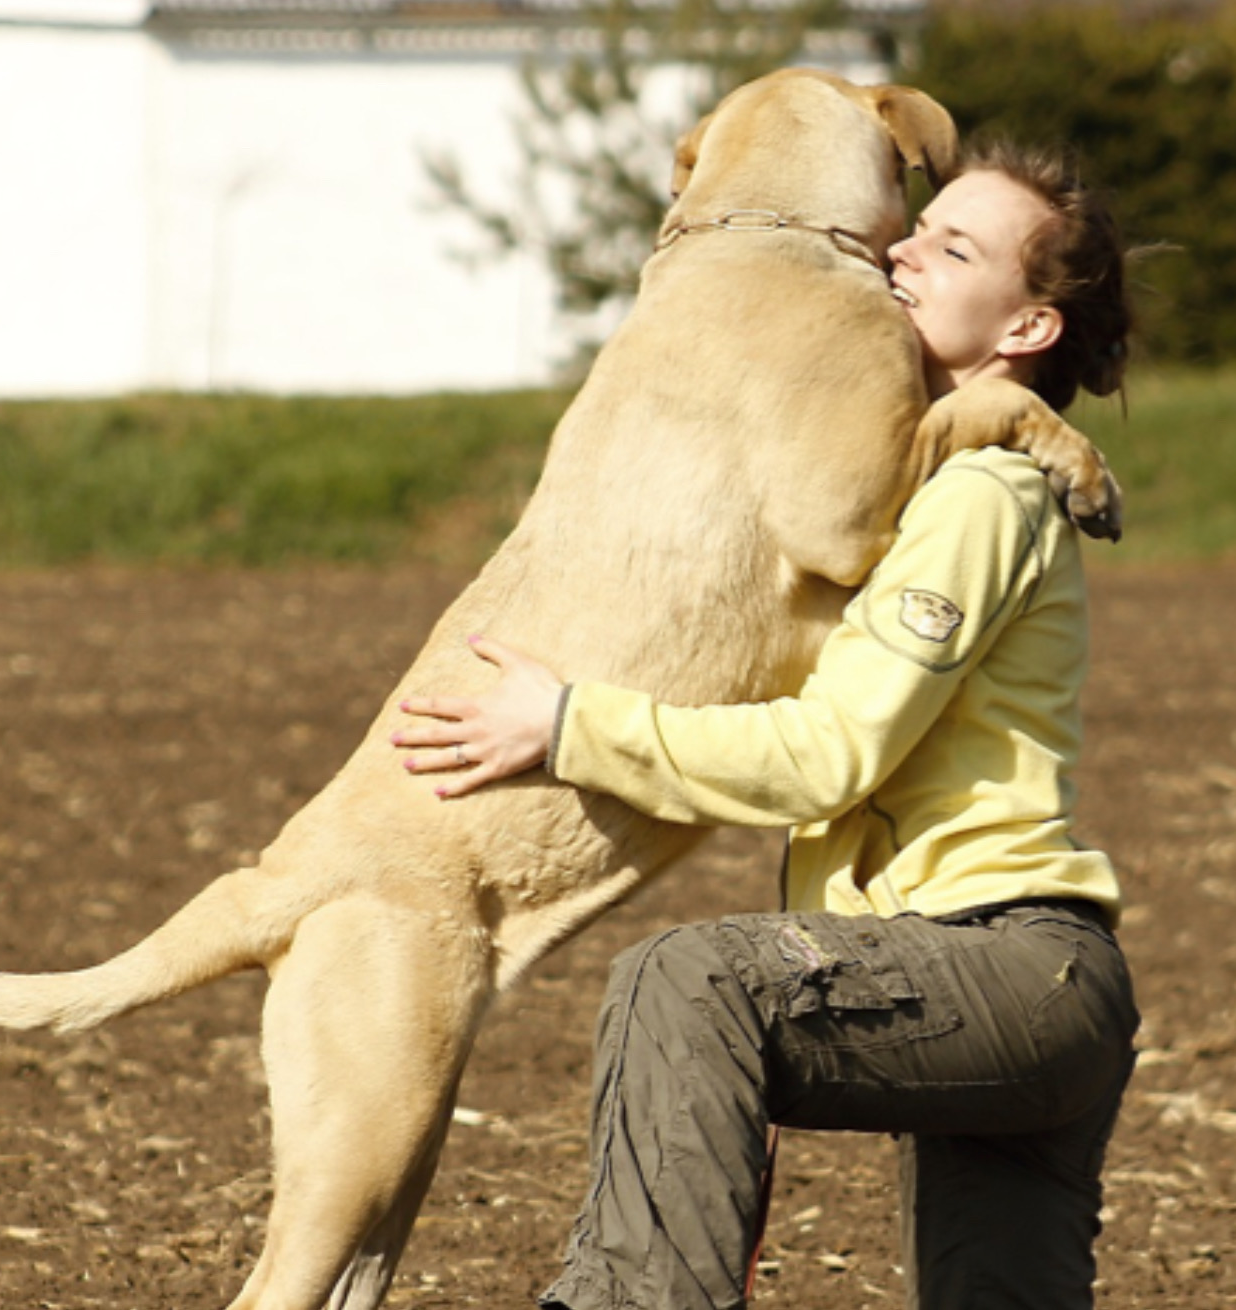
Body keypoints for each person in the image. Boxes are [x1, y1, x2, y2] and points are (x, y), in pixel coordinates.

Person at [392, 139, 1141, 1310]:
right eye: (916, 227)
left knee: (686, 983)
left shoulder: (981, 495)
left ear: (1027, 330)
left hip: (1003, 962)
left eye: (951, 247)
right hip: (1031, 998)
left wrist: (568, 723)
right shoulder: (929, 485)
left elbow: (829, 754)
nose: (901, 248)